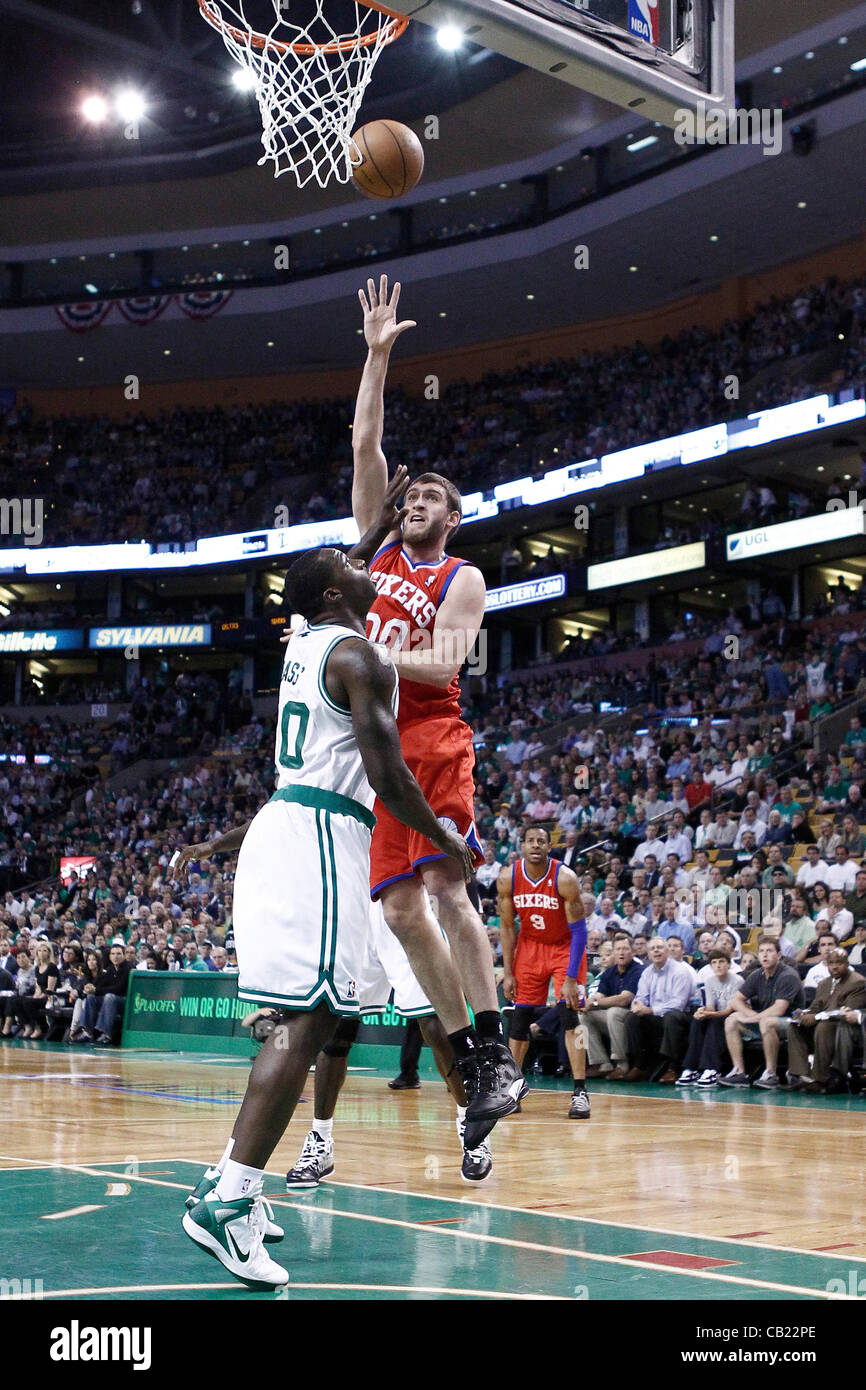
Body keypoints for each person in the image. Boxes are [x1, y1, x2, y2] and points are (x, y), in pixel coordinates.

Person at [183, 541, 472, 1287]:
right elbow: (390, 774)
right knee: (310, 1021)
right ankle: (230, 1199)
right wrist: (443, 837)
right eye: (349, 562)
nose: (364, 561)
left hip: (291, 825)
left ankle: (227, 1181)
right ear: (335, 593)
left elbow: (325, 576)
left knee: (302, 1022)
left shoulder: (306, 642)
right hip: (322, 833)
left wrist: (371, 530)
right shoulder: (358, 655)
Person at [350, 276, 525, 1144]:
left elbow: (447, 661)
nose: (412, 502)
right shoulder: (377, 551)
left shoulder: (463, 575)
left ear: (452, 518)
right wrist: (378, 356)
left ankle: (498, 1052)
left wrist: (369, 655)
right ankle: (465, 1056)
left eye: (429, 499)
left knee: (446, 888)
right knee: (396, 910)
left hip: (432, 736)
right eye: (408, 496)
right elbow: (366, 445)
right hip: (379, 751)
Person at [499, 826, 589, 1117]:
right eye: (530, 841)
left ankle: (580, 1091)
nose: (535, 845)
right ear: (522, 846)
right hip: (530, 947)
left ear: (549, 847)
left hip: (565, 947)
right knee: (519, 1020)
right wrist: (509, 972)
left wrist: (572, 977)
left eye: (541, 841)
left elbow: (580, 931)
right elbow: (506, 928)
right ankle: (512, 1091)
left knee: (571, 1017)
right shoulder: (508, 877)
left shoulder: (565, 878)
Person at [721, 937, 804, 1089]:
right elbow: (736, 1000)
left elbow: (779, 1009)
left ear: (778, 955)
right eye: (761, 951)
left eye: (769, 951)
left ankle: (771, 1074)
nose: (765, 955)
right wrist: (751, 1015)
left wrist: (754, 1019)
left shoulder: (788, 975)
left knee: (767, 1022)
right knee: (731, 1020)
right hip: (764, 1020)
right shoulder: (757, 974)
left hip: (793, 1023)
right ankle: (739, 1072)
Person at [785, 949, 866, 1092]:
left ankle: (820, 1079)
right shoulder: (824, 983)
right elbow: (815, 1007)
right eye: (831, 963)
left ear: (847, 964)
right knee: (794, 1027)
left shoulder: (857, 982)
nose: (834, 967)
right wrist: (803, 1014)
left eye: (839, 963)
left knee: (824, 1026)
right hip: (822, 1026)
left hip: (843, 1028)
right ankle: (801, 1076)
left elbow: (847, 1012)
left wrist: (816, 1017)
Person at [622, 936, 695, 1083]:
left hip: (681, 1016)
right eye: (652, 949)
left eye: (660, 948)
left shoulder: (680, 971)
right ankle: (639, 1065)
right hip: (656, 1016)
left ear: (667, 951)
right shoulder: (647, 973)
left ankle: (673, 1068)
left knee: (671, 1016)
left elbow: (678, 1004)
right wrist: (637, 1005)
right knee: (631, 1017)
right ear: (648, 954)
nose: (656, 951)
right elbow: (641, 997)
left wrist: (649, 1010)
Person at [582, 934, 645, 1078]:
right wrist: (588, 1003)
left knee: (614, 1012)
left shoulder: (638, 970)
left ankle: (622, 1064)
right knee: (584, 1015)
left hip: (633, 1017)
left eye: (625, 949)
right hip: (613, 1019)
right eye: (618, 949)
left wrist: (596, 1003)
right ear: (614, 953)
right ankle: (602, 1063)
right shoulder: (610, 972)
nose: (621, 952)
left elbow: (624, 999)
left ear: (633, 952)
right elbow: (599, 995)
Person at [675, 950, 740, 1088]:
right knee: (698, 1020)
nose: (718, 965)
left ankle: (712, 1068)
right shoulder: (710, 981)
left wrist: (709, 1014)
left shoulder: (737, 981)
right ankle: (691, 1068)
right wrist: (702, 1011)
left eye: (721, 961)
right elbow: (711, 1007)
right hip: (718, 1016)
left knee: (715, 1021)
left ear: (729, 964)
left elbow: (729, 1010)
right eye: (714, 963)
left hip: (736, 1020)